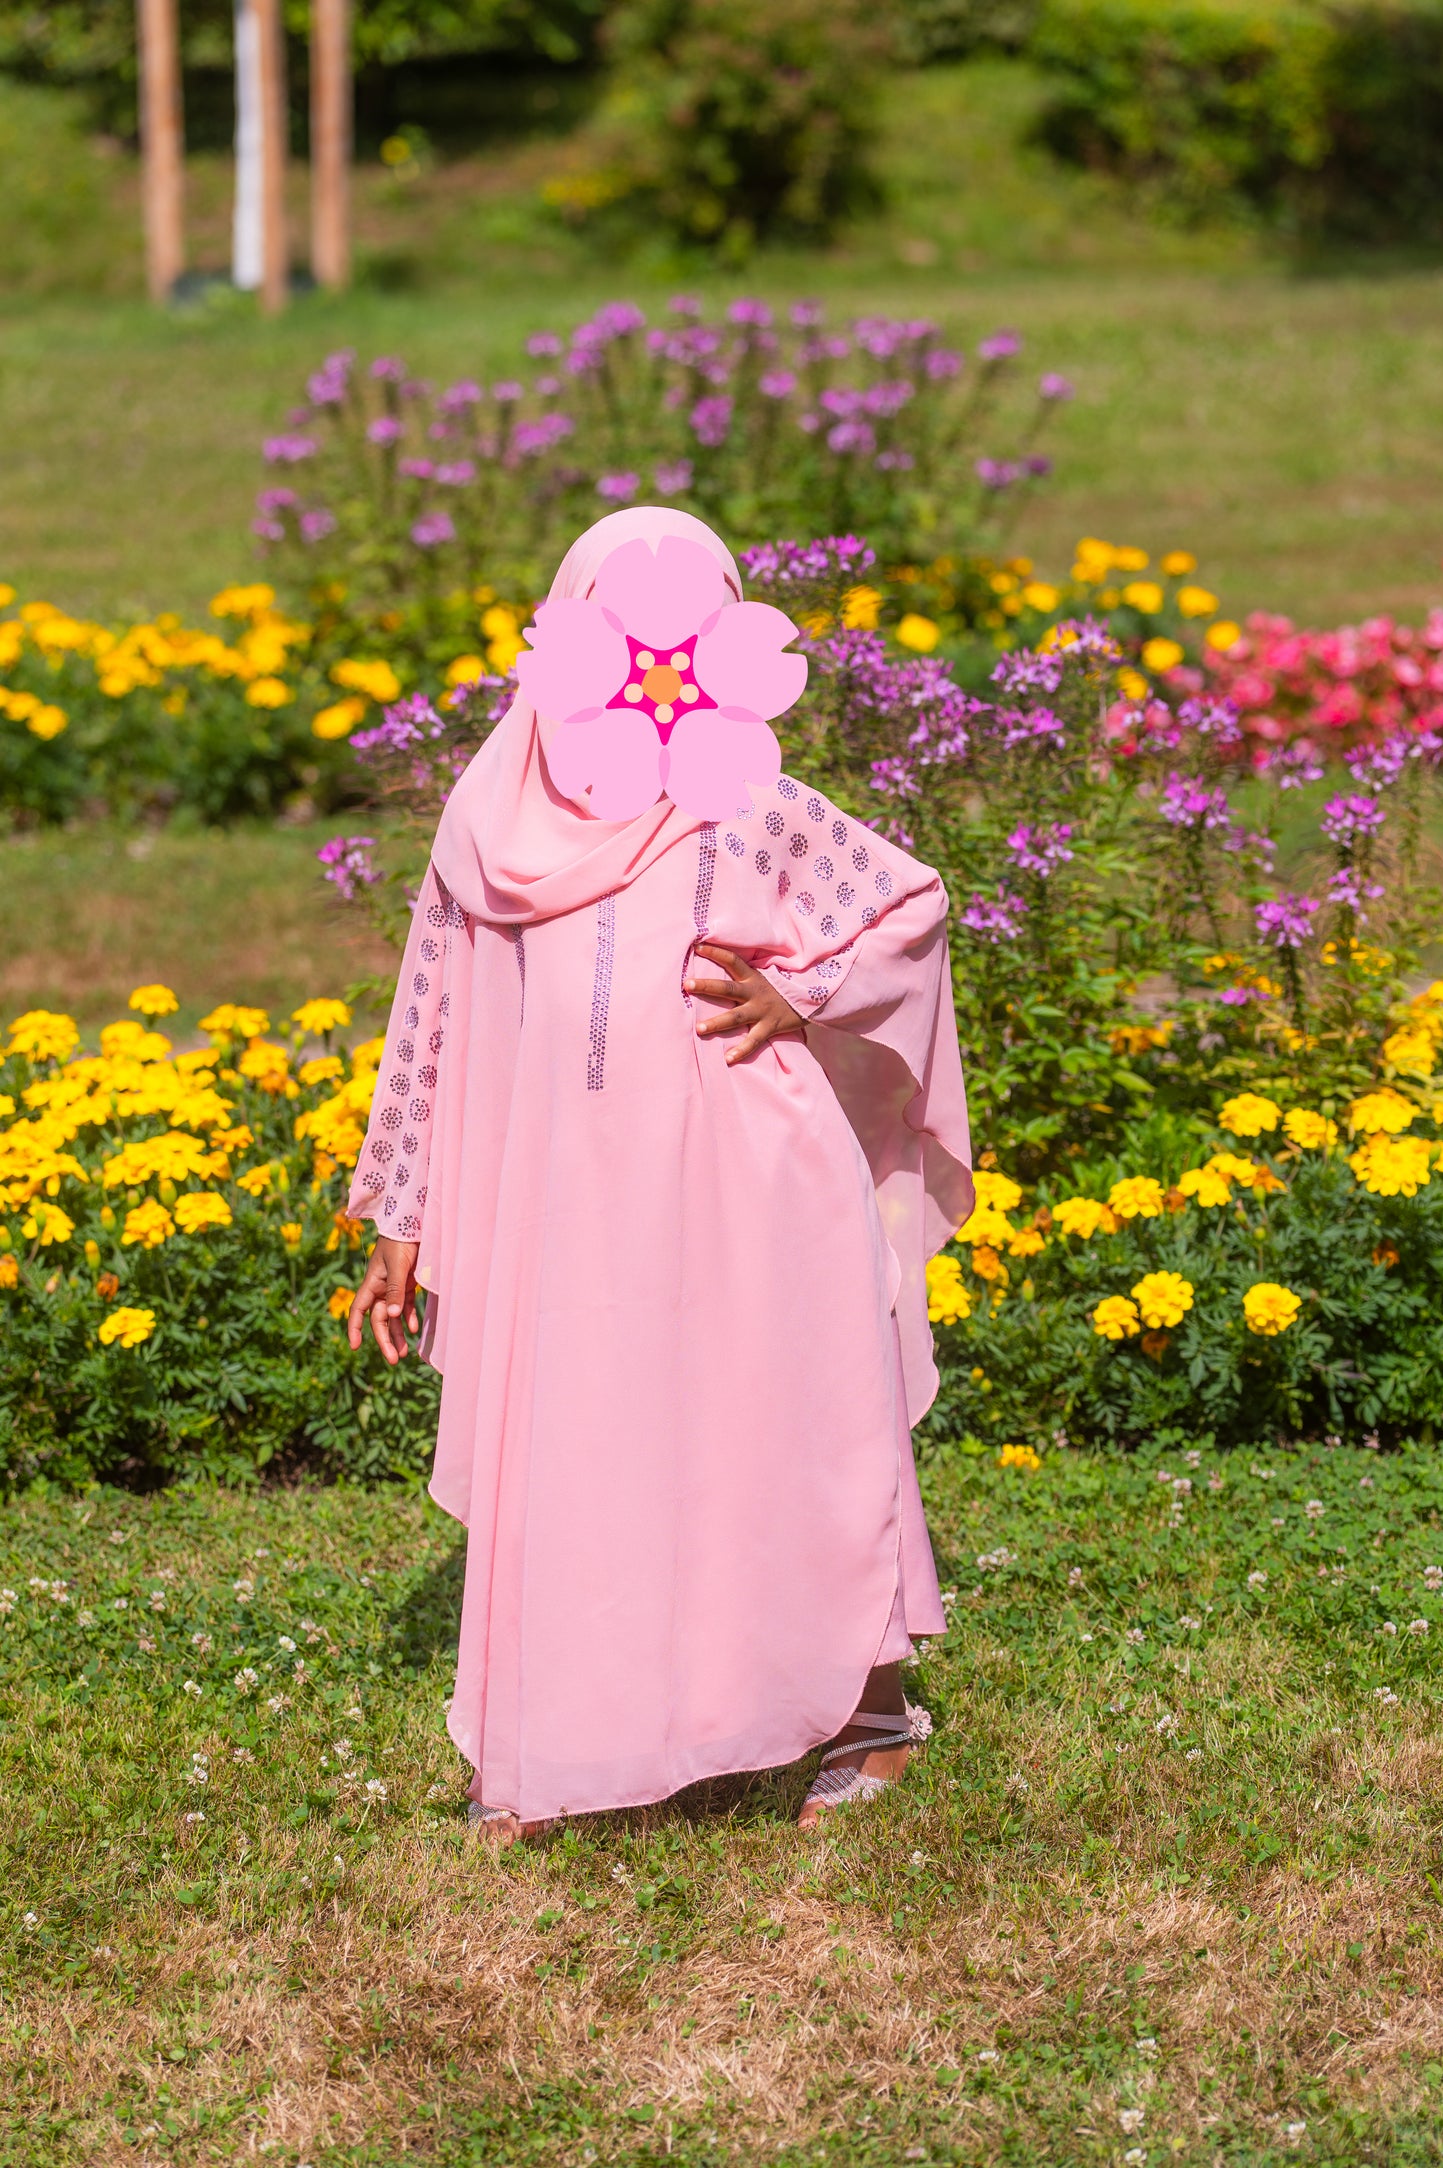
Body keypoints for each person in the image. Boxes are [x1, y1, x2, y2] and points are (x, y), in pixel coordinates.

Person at [346, 506, 973, 1843]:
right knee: (576, 1439)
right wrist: (398, 1215)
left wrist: (800, 991)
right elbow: (428, 1022)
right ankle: (553, 1743)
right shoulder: (484, 822)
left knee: (777, 1429)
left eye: (684, 638)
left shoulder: (744, 803)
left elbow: (907, 905)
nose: (653, 667)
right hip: (562, 1213)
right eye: (624, 637)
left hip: (750, 1197)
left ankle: (864, 1714)